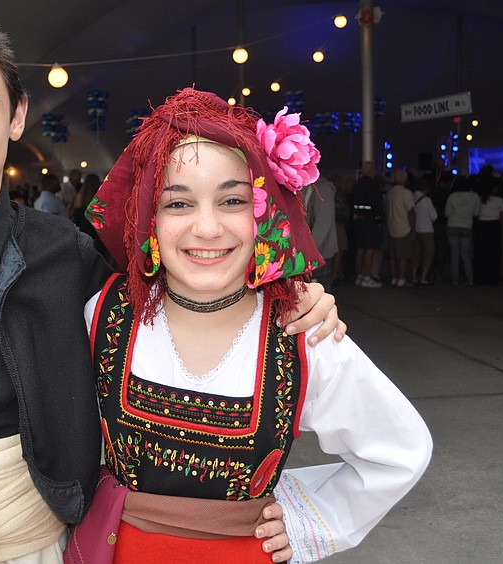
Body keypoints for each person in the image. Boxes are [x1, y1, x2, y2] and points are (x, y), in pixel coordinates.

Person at [0, 6, 344, 564]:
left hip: (41, 540)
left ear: (16, 116)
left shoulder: (71, 254)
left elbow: (183, 292)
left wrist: (290, 299)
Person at [82, 88, 432, 563]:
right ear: (147, 218)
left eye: (233, 202)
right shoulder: (104, 314)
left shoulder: (300, 332)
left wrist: (312, 518)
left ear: (266, 213)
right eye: (178, 204)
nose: (207, 228)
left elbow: (399, 449)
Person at [351, 161, 384, 288]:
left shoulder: (358, 184)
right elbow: (377, 204)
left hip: (358, 220)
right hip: (370, 221)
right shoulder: (374, 185)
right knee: (370, 249)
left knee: (360, 248)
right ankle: (367, 277)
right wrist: (379, 219)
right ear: (371, 171)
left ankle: (359, 276)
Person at [302, 176, 337, 291]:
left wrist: (308, 254)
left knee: (316, 299)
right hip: (306, 255)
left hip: (317, 256)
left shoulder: (322, 189)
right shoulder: (305, 186)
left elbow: (323, 224)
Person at [445, 175, 481, 286]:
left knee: (454, 254)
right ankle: (470, 279)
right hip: (466, 226)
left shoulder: (452, 196)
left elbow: (447, 213)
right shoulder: (475, 196)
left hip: (452, 225)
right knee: (466, 254)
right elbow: (476, 213)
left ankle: (455, 279)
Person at [385, 169, 416, 287]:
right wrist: (412, 228)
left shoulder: (390, 192)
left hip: (392, 226)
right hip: (403, 227)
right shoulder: (406, 192)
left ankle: (394, 277)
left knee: (393, 256)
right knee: (403, 256)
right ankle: (402, 278)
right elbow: (411, 211)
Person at [473, 176, 503, 285]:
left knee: (481, 251)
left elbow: (476, 213)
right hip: (494, 225)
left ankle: (480, 276)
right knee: (494, 252)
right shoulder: (499, 200)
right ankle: (492, 277)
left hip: (482, 225)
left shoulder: (479, 198)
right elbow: (502, 215)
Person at [411, 178, 437, 285]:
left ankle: (413, 276)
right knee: (428, 253)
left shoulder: (411, 198)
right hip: (427, 230)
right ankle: (423, 277)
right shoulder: (427, 200)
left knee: (415, 253)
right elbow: (434, 216)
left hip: (415, 229)